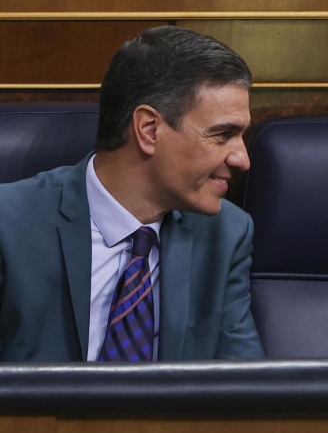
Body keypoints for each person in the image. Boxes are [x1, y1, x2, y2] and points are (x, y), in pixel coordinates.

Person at [0, 26, 265, 361]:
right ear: (149, 130)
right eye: (223, 134)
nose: (241, 159)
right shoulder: (8, 225)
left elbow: (246, 389)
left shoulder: (226, 233)